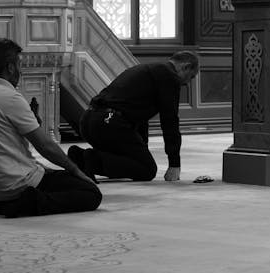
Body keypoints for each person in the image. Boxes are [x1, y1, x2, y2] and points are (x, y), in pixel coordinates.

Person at [0, 39, 102, 218]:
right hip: (16, 186)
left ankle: (16, 203)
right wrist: (75, 171)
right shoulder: (9, 97)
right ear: (10, 67)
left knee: (54, 177)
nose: (21, 70)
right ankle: (29, 204)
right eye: (19, 64)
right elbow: (45, 146)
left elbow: (2, 148)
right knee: (90, 193)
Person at [69, 51, 200, 182]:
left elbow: (141, 118)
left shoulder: (149, 70)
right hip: (110, 125)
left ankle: (79, 157)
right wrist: (174, 163)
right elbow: (169, 120)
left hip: (89, 121)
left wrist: (142, 150)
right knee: (147, 170)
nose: (188, 83)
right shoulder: (169, 77)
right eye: (191, 77)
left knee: (135, 161)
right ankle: (90, 159)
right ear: (185, 67)